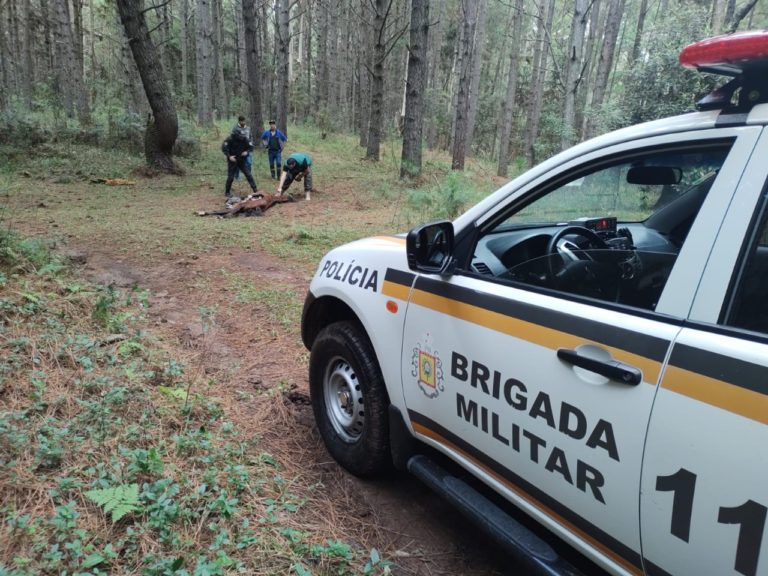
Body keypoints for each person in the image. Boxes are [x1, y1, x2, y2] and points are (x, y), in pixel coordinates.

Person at [222, 116, 258, 199]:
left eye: (241, 135)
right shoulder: (229, 139)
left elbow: (251, 146)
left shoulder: (244, 139)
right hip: (232, 160)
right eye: (239, 135)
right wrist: (229, 156)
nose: (241, 137)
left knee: (248, 174)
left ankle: (255, 190)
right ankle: (227, 192)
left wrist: (247, 152)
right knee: (230, 177)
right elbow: (224, 148)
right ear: (235, 134)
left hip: (242, 160)